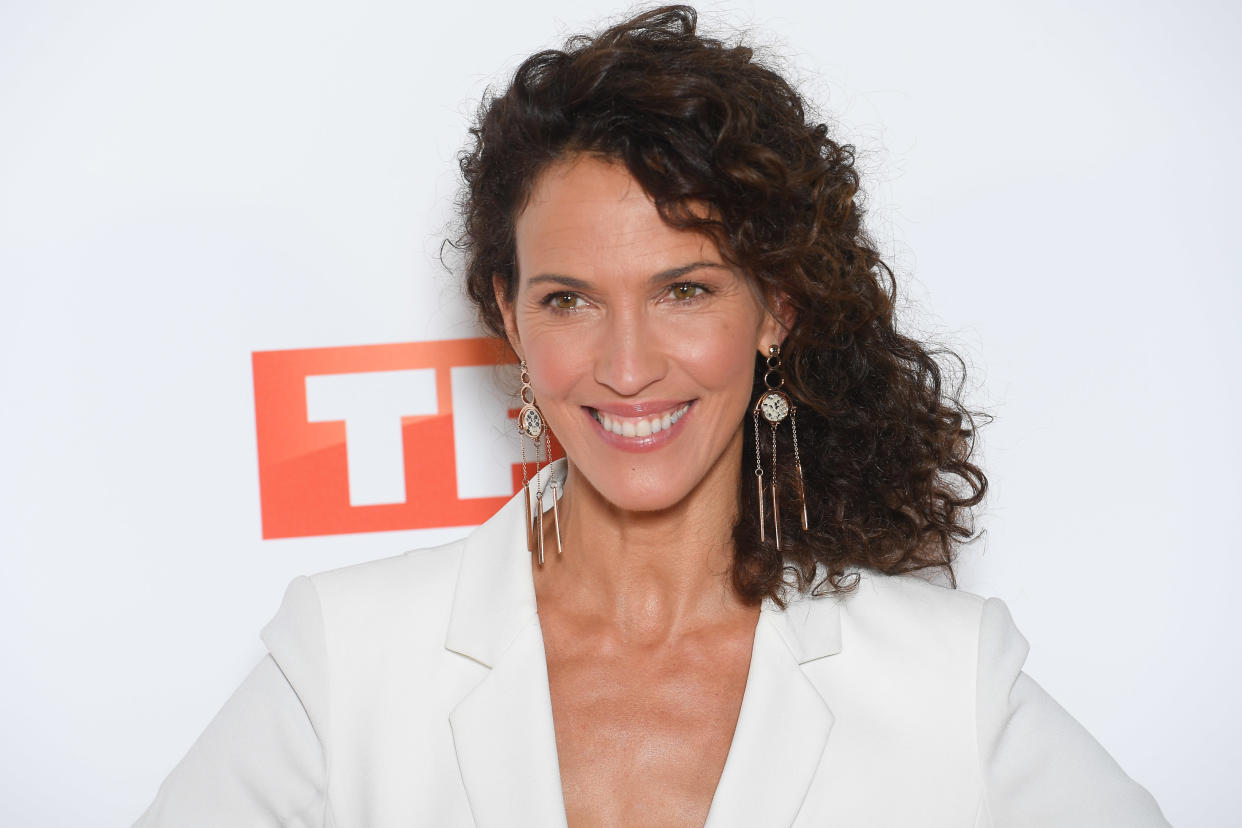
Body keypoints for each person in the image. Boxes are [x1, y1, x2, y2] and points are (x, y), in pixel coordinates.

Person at [135, 6, 1170, 826]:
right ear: (508, 314)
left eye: (686, 290)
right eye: (569, 299)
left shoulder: (948, 682)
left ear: (776, 307)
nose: (626, 368)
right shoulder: (349, 658)